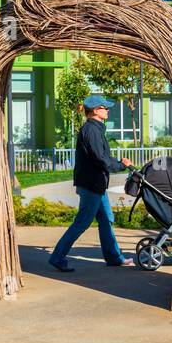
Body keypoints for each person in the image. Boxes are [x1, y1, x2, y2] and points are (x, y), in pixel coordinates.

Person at [49, 94, 134, 272]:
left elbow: (102, 156)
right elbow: (100, 159)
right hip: (91, 185)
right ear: (95, 111)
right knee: (82, 222)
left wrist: (119, 163)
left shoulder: (96, 129)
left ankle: (114, 258)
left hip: (97, 185)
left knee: (106, 219)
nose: (108, 110)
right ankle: (57, 257)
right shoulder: (92, 130)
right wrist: (120, 165)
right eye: (105, 107)